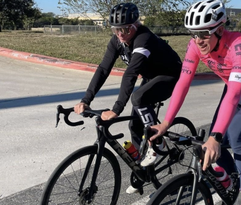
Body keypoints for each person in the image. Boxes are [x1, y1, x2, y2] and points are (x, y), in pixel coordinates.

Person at [149, 0, 241, 204]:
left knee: (234, 135)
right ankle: (235, 177)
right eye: (194, 33)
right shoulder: (195, 45)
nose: (198, 40)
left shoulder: (239, 46)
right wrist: (166, 122)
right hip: (234, 88)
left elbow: (234, 95)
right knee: (214, 140)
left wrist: (217, 137)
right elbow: (183, 83)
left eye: (204, 33)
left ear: (220, 29)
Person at [73, 2, 182, 194]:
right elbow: (103, 69)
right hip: (150, 76)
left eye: (124, 29)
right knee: (134, 126)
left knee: (138, 98)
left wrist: (116, 109)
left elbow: (130, 74)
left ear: (135, 25)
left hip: (170, 74)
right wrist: (86, 99)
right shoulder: (117, 40)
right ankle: (144, 171)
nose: (120, 34)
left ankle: (157, 141)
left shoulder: (144, 38)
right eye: (116, 30)